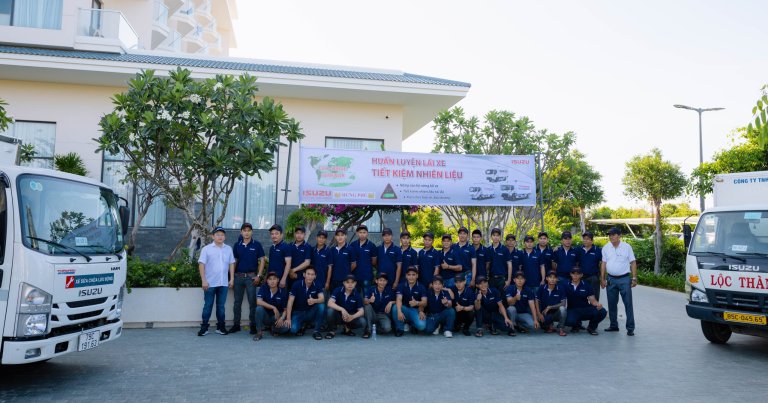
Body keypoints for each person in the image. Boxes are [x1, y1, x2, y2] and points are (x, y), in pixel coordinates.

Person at [197, 226, 236, 336]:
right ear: (213, 236)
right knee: (208, 306)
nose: (220, 237)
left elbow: (231, 264)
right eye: (218, 234)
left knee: (221, 307)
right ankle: (204, 328)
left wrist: (232, 279)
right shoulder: (206, 249)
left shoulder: (228, 249)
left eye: (222, 235)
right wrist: (203, 280)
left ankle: (221, 327)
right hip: (210, 283)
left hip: (223, 283)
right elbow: (201, 264)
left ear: (225, 237)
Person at [230, 222, 266, 334]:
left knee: (252, 302)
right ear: (241, 232)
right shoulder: (237, 245)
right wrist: (232, 277)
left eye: (249, 230)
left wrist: (259, 275)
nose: (246, 232)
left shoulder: (257, 244)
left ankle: (253, 325)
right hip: (238, 277)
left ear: (252, 232)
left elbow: (262, 260)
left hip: (251, 277)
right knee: (237, 302)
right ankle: (236, 325)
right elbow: (234, 261)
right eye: (244, 230)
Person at [600, 227, 637, 336]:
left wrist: (634, 278)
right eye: (610, 235)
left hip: (624, 279)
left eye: (613, 235)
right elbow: (603, 264)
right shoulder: (606, 248)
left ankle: (630, 328)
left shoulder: (627, 247)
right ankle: (613, 325)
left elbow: (633, 262)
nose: (611, 237)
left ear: (619, 236)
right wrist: (602, 278)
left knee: (628, 304)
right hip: (611, 279)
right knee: (611, 304)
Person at [285, 266, 325, 340]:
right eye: (308, 274)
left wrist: (314, 300)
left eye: (312, 274)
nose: (310, 276)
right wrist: (288, 318)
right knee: (293, 330)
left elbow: (322, 299)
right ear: (304, 275)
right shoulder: (296, 284)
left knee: (321, 306)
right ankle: (302, 325)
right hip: (298, 312)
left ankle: (316, 331)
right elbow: (290, 301)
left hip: (310, 312)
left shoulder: (317, 284)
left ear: (315, 276)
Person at [565, 267, 607, 335]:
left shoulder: (586, 285)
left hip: (585, 309)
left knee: (602, 311)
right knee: (569, 322)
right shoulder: (565, 284)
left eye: (577, 274)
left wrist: (598, 304)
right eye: (573, 273)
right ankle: (576, 325)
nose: (575, 275)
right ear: (570, 274)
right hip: (572, 310)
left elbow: (593, 300)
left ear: (581, 275)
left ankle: (591, 327)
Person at [253, 272, 290, 340]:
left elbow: (285, 309)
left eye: (274, 279)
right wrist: (273, 307)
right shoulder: (264, 288)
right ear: (267, 281)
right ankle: (259, 332)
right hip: (266, 316)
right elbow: (258, 301)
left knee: (286, 328)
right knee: (259, 309)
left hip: (276, 317)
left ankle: (273, 328)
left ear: (278, 280)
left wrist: (282, 318)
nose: (272, 281)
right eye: (270, 279)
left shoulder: (282, 291)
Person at [392, 266, 428, 337]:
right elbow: (399, 299)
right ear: (406, 276)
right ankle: (400, 328)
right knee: (395, 307)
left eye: (413, 275)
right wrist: (399, 311)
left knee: (421, 326)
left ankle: (412, 324)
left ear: (417, 276)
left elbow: (425, 302)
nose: (411, 277)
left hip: (415, 310)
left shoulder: (421, 287)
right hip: (404, 309)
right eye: (409, 275)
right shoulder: (401, 285)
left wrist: (417, 303)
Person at [536, 271, 568, 336]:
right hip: (545, 313)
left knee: (563, 309)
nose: (552, 279)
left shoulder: (560, 288)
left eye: (554, 277)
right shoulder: (542, 288)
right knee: (543, 323)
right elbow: (537, 301)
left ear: (557, 279)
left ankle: (560, 328)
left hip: (556, 313)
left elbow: (563, 303)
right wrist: (538, 313)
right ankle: (550, 325)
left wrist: (550, 307)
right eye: (550, 277)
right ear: (547, 278)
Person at [363, 273, 395, 338]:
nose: (382, 282)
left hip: (383, 314)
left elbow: (398, 300)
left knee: (387, 329)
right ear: (376, 281)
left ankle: (374, 327)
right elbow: (364, 301)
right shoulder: (371, 289)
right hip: (373, 314)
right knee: (367, 306)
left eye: (384, 280)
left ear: (387, 282)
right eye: (380, 280)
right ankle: (368, 330)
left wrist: (391, 302)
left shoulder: (389, 290)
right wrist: (369, 300)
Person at [350, 224, 377, 293]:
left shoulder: (371, 245)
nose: (362, 234)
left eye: (364, 232)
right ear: (357, 233)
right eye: (360, 232)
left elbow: (374, 262)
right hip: (355, 276)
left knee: (367, 297)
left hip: (366, 276)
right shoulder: (353, 245)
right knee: (355, 296)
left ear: (367, 233)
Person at [578, 231, 603, 302]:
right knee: (582, 299)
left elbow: (602, 264)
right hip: (581, 278)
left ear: (592, 241)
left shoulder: (598, 250)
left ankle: (594, 309)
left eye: (587, 239)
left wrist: (602, 277)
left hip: (593, 278)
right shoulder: (579, 249)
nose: (585, 240)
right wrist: (558, 247)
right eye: (584, 239)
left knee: (594, 298)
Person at [487, 228, 512, 293]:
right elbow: (487, 266)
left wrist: (509, 280)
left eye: (497, 235)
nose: (496, 237)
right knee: (492, 297)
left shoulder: (505, 249)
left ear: (500, 237)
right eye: (494, 235)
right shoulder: (488, 249)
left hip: (502, 279)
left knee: (502, 298)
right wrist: (486, 279)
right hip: (491, 279)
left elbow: (509, 265)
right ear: (491, 237)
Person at [267, 224, 292, 289]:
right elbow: (270, 263)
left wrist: (283, 279)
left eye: (276, 233)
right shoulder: (272, 248)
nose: (274, 236)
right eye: (272, 234)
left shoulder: (286, 247)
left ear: (281, 235)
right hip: (271, 279)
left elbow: (288, 264)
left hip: (281, 279)